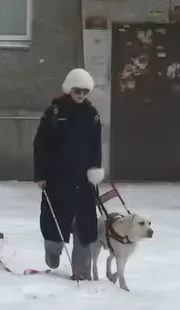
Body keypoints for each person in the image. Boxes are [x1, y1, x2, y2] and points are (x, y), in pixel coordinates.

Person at [33, 68, 104, 280]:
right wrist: (41, 174)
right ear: (69, 89)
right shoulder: (54, 112)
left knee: (84, 225)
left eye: (85, 91)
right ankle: (52, 250)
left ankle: (81, 272)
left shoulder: (92, 115)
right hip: (57, 177)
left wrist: (95, 168)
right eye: (77, 90)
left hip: (83, 178)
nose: (81, 95)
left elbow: (95, 146)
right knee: (55, 221)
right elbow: (40, 144)